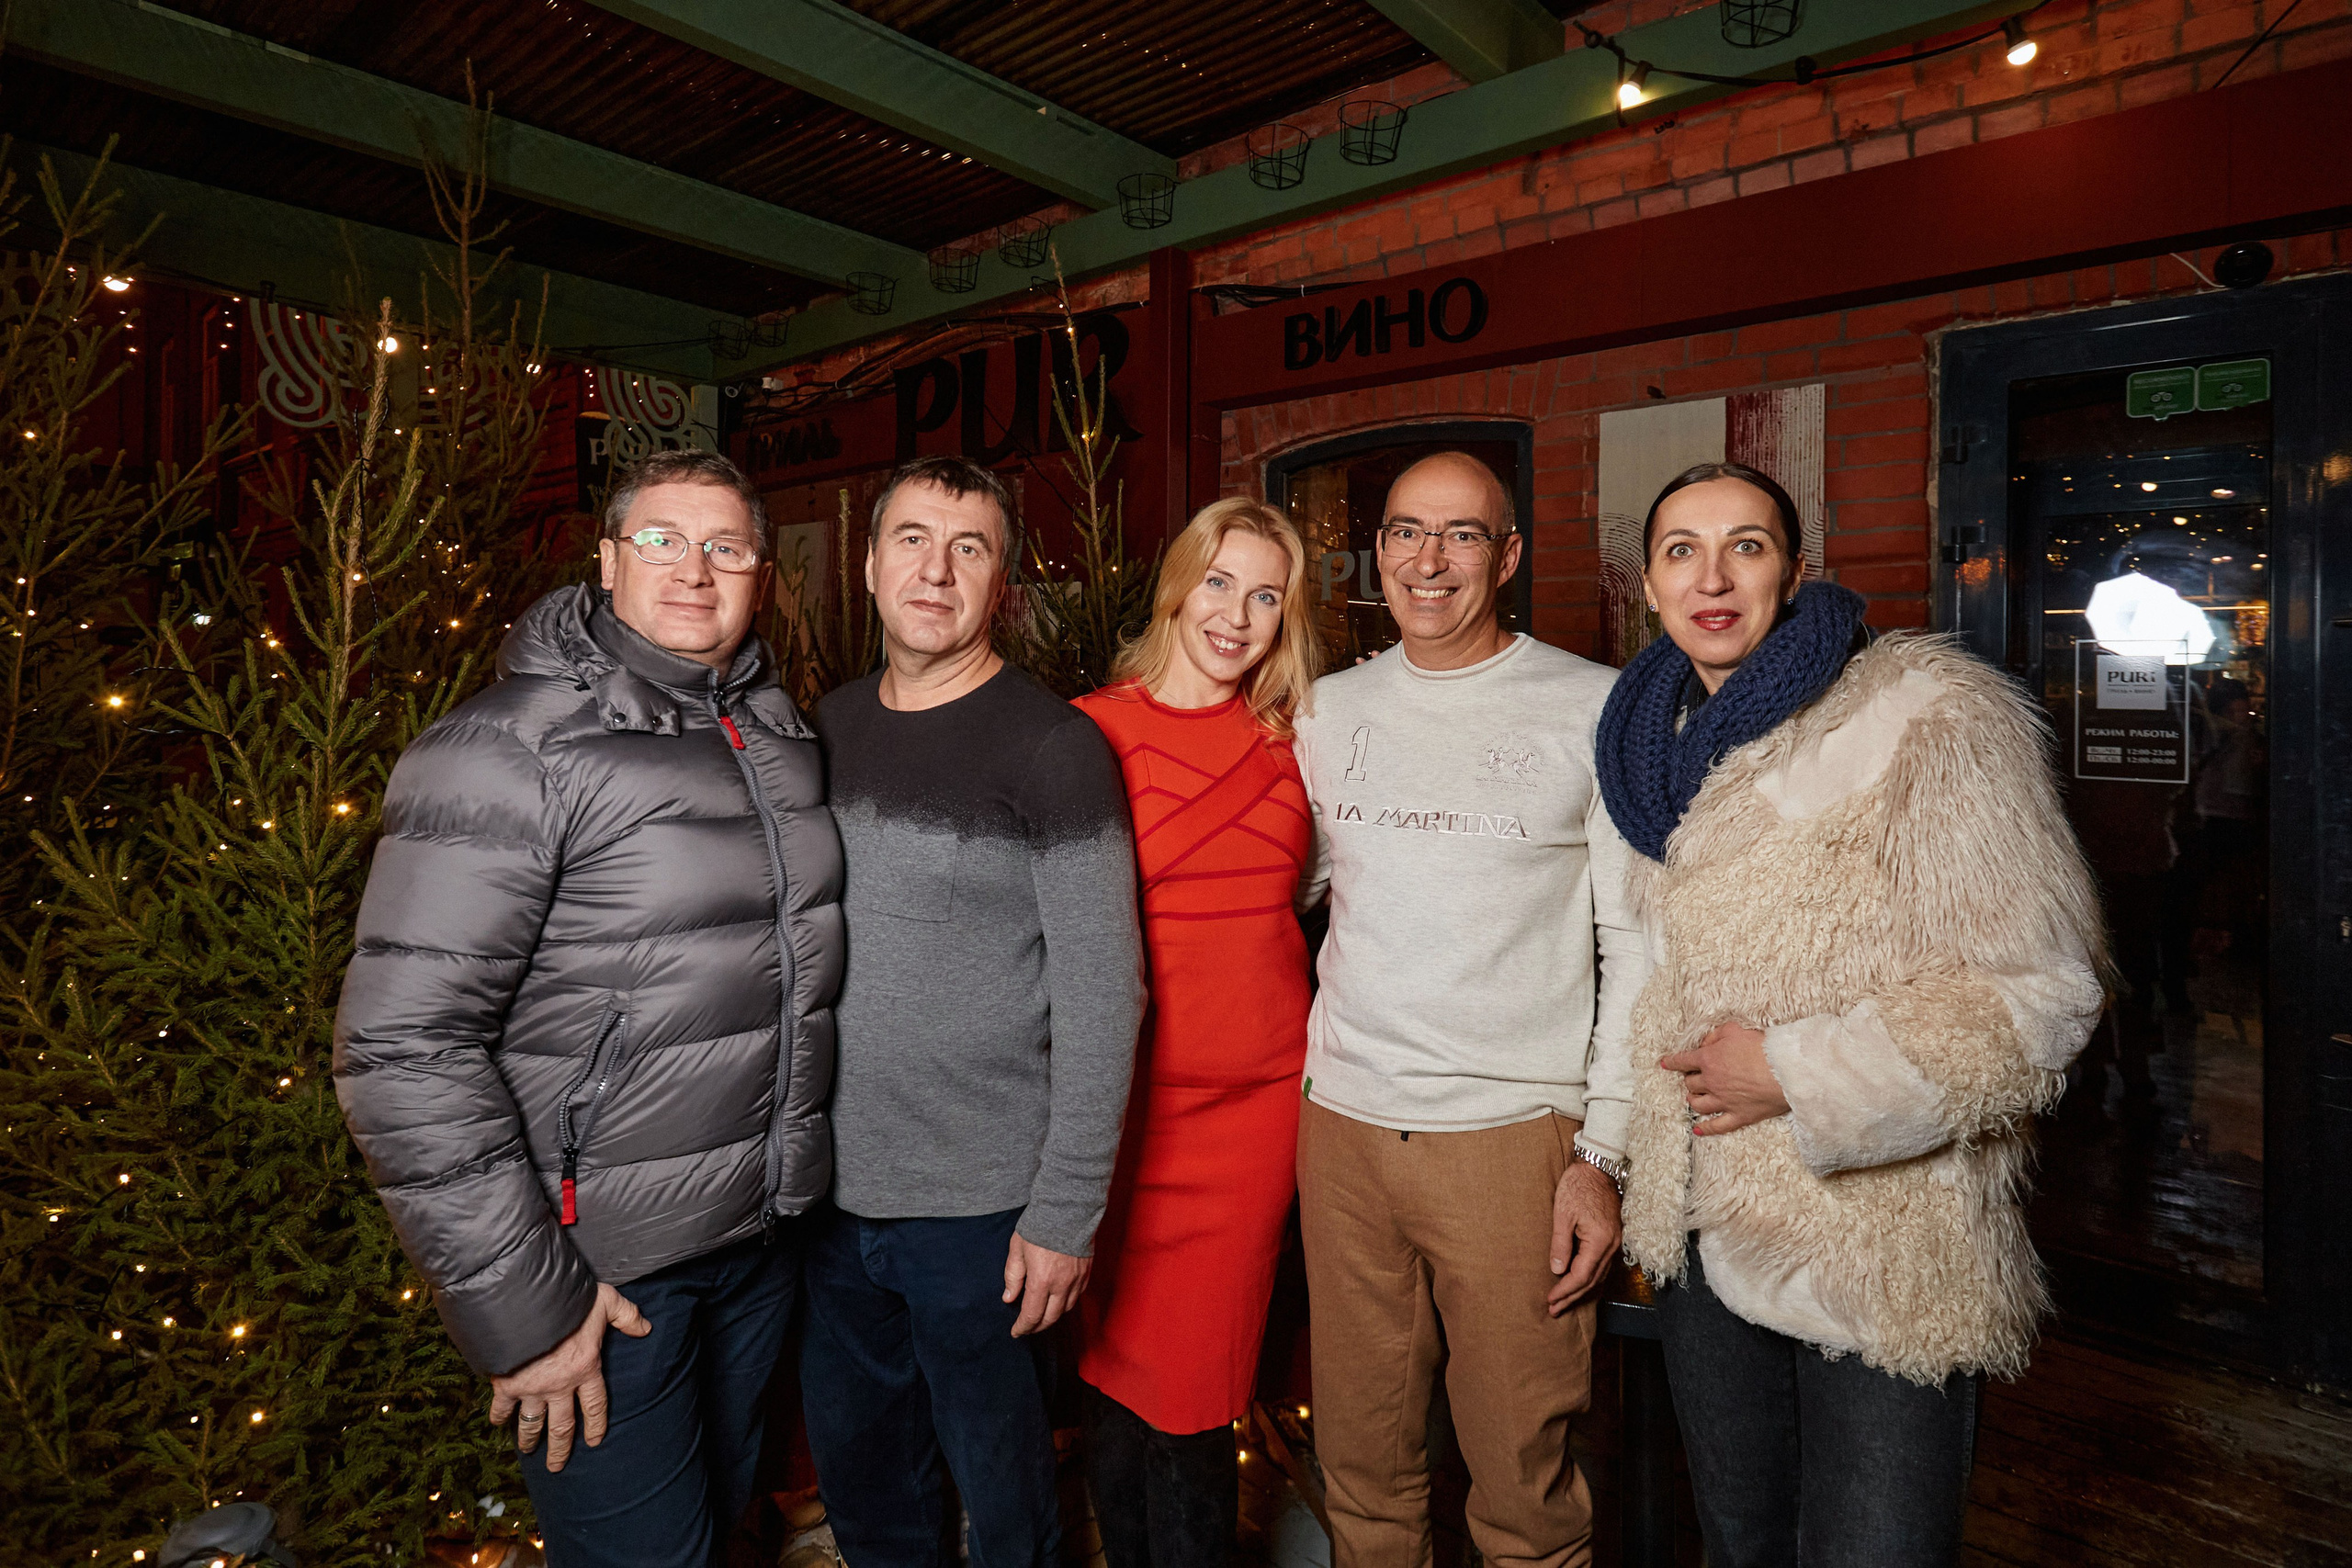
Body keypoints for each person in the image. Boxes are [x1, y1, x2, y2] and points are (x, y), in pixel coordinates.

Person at [333, 450, 844, 1567]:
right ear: (608, 561)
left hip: (754, 1246)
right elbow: (402, 1046)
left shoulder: (774, 735)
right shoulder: (509, 748)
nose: (693, 571)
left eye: (725, 547)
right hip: (602, 1277)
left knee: (725, 1532)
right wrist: (528, 1312)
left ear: (762, 574)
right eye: (661, 539)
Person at [1595, 461, 2107, 1568]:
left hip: (1873, 1243)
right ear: (1647, 584)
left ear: (1794, 570)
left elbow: (2044, 994)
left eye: (1747, 545)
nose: (1713, 576)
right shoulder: (1645, 739)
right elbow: (1645, 973)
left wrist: (1797, 1072)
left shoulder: (1926, 715)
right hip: (1694, 1223)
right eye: (1682, 549)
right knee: (1742, 1544)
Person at [1293, 451, 1645, 1568]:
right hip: (1339, 1128)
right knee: (1361, 1474)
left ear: (1507, 558)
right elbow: (1276, 890)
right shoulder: (1324, 708)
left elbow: (1637, 944)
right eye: (1405, 531)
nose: (1427, 560)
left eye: (1460, 535)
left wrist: (1605, 1153)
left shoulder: (1593, 706)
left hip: (1511, 1146)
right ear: (1378, 551)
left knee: (1523, 1491)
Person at [801, 454, 1146, 1567]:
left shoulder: (1052, 747)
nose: (935, 571)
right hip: (824, 1205)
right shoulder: (825, 727)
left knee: (1005, 1509)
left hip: (983, 1215)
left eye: (969, 549)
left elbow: (1106, 987)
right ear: (868, 566)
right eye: (911, 540)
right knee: (867, 1494)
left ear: (1001, 585)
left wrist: (1064, 1213)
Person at [1069, 498, 1323, 1568]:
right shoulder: (1086, 731)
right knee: (1111, 1383)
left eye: (1266, 595)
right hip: (1124, 1114)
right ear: (1176, 585)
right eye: (1219, 582)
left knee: (1199, 1396)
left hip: (1255, 1116)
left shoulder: (1298, 744)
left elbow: (1326, 894)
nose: (1238, 614)